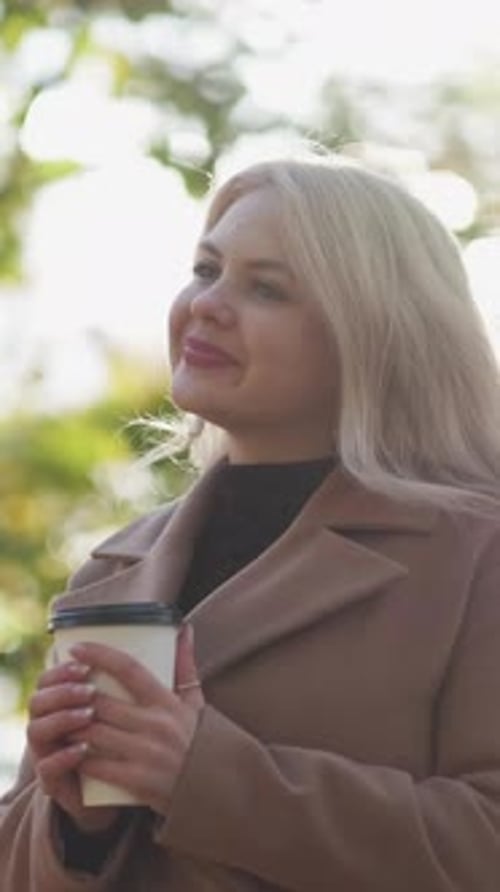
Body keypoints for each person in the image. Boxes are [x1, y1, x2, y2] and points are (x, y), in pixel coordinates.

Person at [2, 156, 500, 892]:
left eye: (268, 288)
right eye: (206, 270)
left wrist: (205, 778)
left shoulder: (474, 554)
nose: (207, 304)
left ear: (371, 335)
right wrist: (75, 823)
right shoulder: (112, 570)